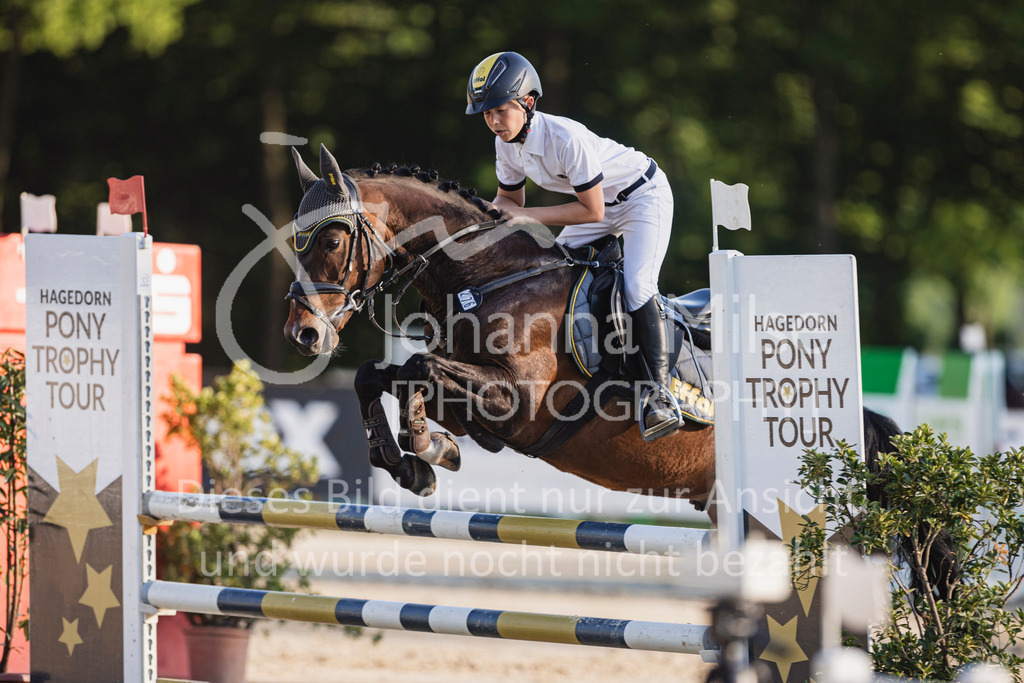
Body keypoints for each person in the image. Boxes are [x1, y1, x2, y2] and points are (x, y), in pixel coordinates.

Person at [465, 51, 680, 441]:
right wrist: (474, 218)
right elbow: (509, 203)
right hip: (599, 207)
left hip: (642, 198)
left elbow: (592, 211)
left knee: (637, 286)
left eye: (500, 110)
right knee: (552, 271)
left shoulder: (565, 138)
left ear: (527, 102)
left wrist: (525, 220)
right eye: (486, 114)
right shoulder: (506, 145)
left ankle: (660, 394)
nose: (494, 122)